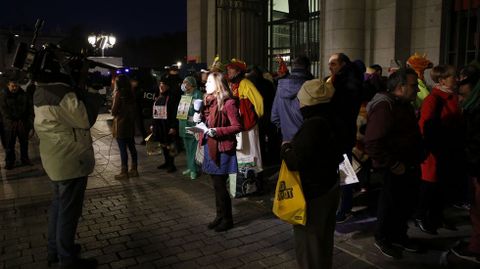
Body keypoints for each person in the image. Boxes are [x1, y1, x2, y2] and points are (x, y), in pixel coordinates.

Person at [33, 51, 102, 268]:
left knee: (58, 206)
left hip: (55, 158)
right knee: (68, 212)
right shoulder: (62, 94)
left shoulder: (41, 90)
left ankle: (56, 249)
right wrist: (92, 91)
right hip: (70, 160)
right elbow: (85, 119)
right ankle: (67, 258)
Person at [364, 68, 426, 259]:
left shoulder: (403, 104)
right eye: (414, 85)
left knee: (404, 203)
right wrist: (392, 164)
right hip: (394, 167)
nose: (417, 89)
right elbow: (372, 142)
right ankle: (383, 238)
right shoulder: (385, 106)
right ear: (401, 87)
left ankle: (399, 235)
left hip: (408, 164)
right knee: (390, 203)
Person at [281, 78, 342, 269]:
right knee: (324, 242)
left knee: (309, 245)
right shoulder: (333, 118)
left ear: (308, 102)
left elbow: (295, 162)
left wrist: (285, 149)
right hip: (329, 186)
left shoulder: (312, 126)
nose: (299, 104)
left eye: (300, 100)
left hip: (313, 193)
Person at [415, 65, 464, 234]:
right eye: (453, 76)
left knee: (441, 187)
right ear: (442, 80)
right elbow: (425, 127)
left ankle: (437, 216)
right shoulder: (434, 99)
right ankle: (421, 216)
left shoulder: (454, 97)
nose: (457, 79)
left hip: (448, 150)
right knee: (429, 187)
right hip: (435, 152)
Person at [195, 71, 242, 232]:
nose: (205, 84)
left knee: (220, 185)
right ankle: (219, 215)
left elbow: (237, 126)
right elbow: (207, 122)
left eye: (209, 82)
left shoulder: (228, 103)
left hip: (222, 148)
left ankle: (227, 219)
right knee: (216, 185)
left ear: (218, 85)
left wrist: (218, 131)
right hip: (210, 145)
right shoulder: (208, 102)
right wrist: (198, 119)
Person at [327, 53, 363, 223]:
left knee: (344, 172)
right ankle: (343, 205)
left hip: (340, 134)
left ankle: (344, 209)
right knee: (344, 171)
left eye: (333, 63)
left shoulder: (345, 82)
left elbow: (341, 109)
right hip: (341, 133)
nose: (330, 67)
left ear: (343, 64)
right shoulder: (344, 79)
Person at [451, 65, 480, 263]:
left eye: (463, 83)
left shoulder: (476, 110)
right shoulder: (472, 106)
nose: (459, 87)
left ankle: (476, 248)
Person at [226, 58, 264, 175]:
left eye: (231, 69)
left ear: (238, 71)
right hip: (238, 125)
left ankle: (255, 176)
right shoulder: (232, 85)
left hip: (248, 125)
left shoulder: (245, 83)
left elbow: (259, 101)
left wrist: (255, 118)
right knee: (241, 151)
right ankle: (243, 177)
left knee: (252, 151)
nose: (228, 71)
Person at [271, 56, 313, 142]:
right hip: (308, 140)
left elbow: (274, 117)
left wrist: (287, 129)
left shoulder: (281, 87)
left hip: (287, 140)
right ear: (308, 67)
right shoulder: (312, 86)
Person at [0, 78, 33, 169]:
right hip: (9, 124)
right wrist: (10, 120)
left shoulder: (24, 95)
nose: (14, 88)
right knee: (9, 144)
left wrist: (29, 122)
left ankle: (25, 159)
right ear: (8, 85)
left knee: (24, 142)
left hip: (22, 122)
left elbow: (29, 109)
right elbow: (3, 111)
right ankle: (10, 162)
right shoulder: (3, 96)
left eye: (16, 86)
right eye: (12, 86)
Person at [111, 75, 138, 180]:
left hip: (121, 125)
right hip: (130, 124)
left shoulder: (119, 94)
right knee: (132, 147)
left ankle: (124, 171)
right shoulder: (131, 93)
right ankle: (134, 169)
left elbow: (114, 111)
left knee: (123, 149)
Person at [152, 76, 180, 173]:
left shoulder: (171, 97)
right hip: (160, 125)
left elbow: (174, 113)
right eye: (160, 84)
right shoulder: (159, 96)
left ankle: (172, 164)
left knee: (170, 145)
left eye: (163, 84)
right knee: (163, 144)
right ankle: (166, 162)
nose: (161, 86)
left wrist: (173, 126)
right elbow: (154, 111)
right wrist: (153, 124)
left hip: (168, 125)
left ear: (168, 86)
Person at [177, 76, 203, 180]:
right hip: (184, 124)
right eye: (183, 82)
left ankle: (194, 170)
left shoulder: (197, 94)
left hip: (193, 125)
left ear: (192, 84)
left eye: (186, 82)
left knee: (193, 148)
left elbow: (198, 110)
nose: (183, 85)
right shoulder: (184, 95)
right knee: (187, 148)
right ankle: (190, 166)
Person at [130, 76, 148, 144]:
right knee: (133, 125)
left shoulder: (139, 90)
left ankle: (144, 139)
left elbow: (137, 98)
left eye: (134, 82)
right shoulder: (131, 89)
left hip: (138, 109)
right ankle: (132, 139)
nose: (134, 83)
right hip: (133, 109)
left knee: (140, 125)